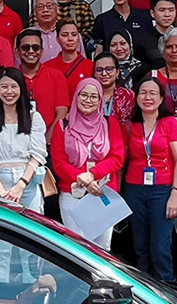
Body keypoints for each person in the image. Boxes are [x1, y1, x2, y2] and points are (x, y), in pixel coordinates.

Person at [0, 69, 47, 281]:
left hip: (27, 184)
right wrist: (1, 191)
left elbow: (37, 154)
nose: (9, 92)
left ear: (22, 89)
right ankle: (0, 287)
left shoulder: (34, 117)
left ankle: (32, 289)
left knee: (31, 243)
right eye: (4, 87)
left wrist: (20, 186)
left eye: (14, 86)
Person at [50, 78, 125, 249]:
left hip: (102, 191)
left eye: (94, 97)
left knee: (102, 248)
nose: (88, 100)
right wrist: (81, 178)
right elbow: (59, 162)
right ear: (76, 96)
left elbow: (117, 156)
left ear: (100, 101)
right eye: (84, 95)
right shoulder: (63, 126)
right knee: (77, 248)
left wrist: (92, 175)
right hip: (72, 193)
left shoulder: (109, 123)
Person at [125, 76, 177, 281]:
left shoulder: (170, 123)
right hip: (134, 189)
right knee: (139, 248)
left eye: (153, 93)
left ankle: (166, 291)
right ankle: (144, 295)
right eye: (143, 92)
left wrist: (175, 193)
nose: (147, 97)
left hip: (162, 190)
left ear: (161, 99)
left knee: (160, 248)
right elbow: (122, 157)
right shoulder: (130, 125)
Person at [93, 0, 156, 64]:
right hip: (113, 72)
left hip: (144, 72)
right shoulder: (102, 20)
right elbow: (99, 51)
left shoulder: (145, 16)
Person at [15, 29, 70, 129]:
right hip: (17, 138)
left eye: (35, 48)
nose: (31, 51)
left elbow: (61, 112)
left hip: (49, 139)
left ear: (41, 51)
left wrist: (48, 139)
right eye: (25, 47)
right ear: (17, 51)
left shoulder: (56, 76)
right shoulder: (11, 78)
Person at [44, 20, 93, 98]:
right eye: (64, 35)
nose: (70, 38)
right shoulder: (46, 67)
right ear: (57, 39)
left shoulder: (91, 66)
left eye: (74, 35)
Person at [31, 0, 72, 64]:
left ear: (57, 9)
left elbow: (81, 63)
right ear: (34, 12)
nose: (45, 10)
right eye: (40, 7)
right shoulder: (27, 36)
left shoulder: (71, 34)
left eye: (49, 6)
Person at [94, 52, 134, 124]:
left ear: (117, 72)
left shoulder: (128, 96)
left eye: (109, 69)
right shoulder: (90, 95)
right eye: (99, 70)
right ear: (94, 74)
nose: (104, 73)